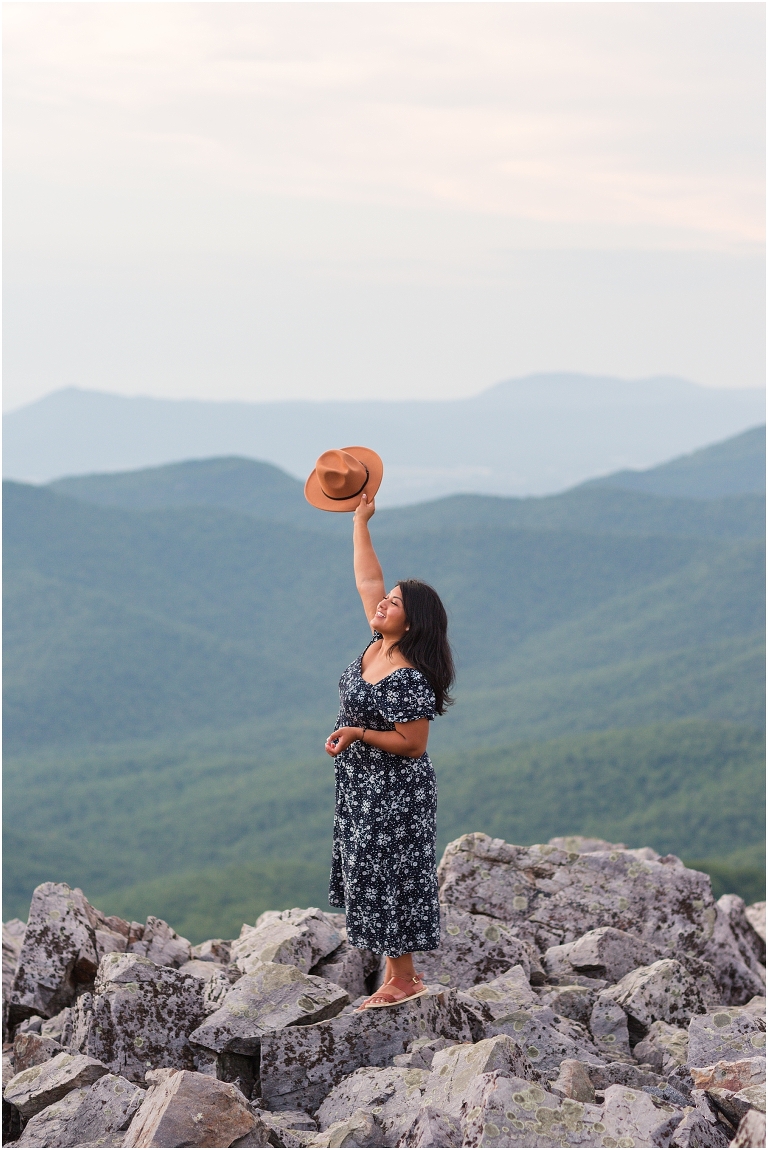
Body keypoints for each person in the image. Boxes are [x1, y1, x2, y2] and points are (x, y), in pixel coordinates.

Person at [325, 492, 455, 1009]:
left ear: (412, 622)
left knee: (389, 875)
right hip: (362, 785)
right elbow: (367, 579)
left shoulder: (406, 675)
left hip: (395, 792)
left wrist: (358, 733)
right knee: (367, 871)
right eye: (388, 598)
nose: (382, 603)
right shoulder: (377, 643)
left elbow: (413, 743)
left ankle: (403, 980)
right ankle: (398, 975)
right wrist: (360, 522)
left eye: (395, 603)